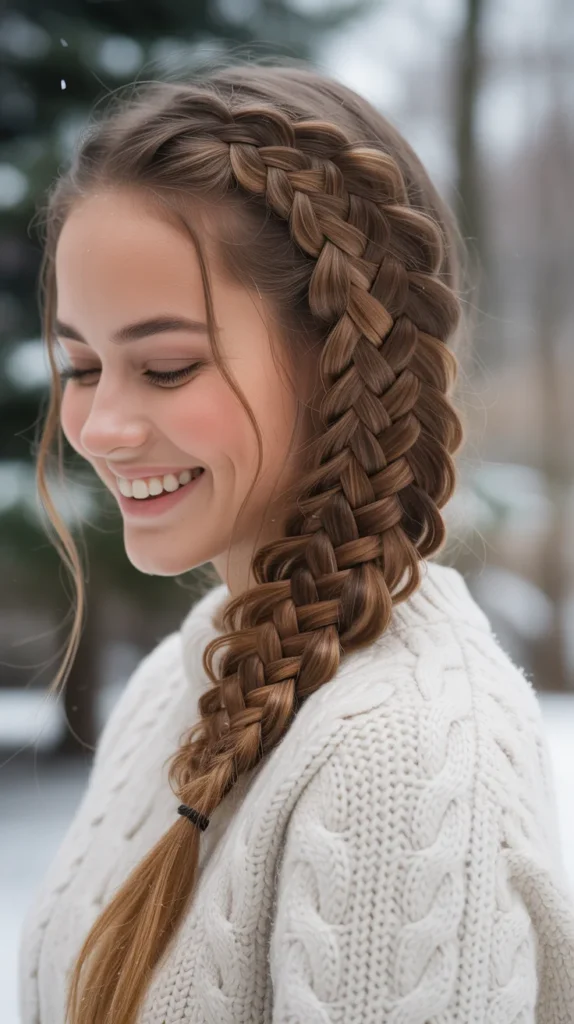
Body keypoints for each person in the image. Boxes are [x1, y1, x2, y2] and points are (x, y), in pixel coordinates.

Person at [18, 57, 574, 1024]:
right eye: (80, 364)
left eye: (167, 365)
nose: (101, 426)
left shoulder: (396, 759)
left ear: (341, 358)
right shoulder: (182, 677)